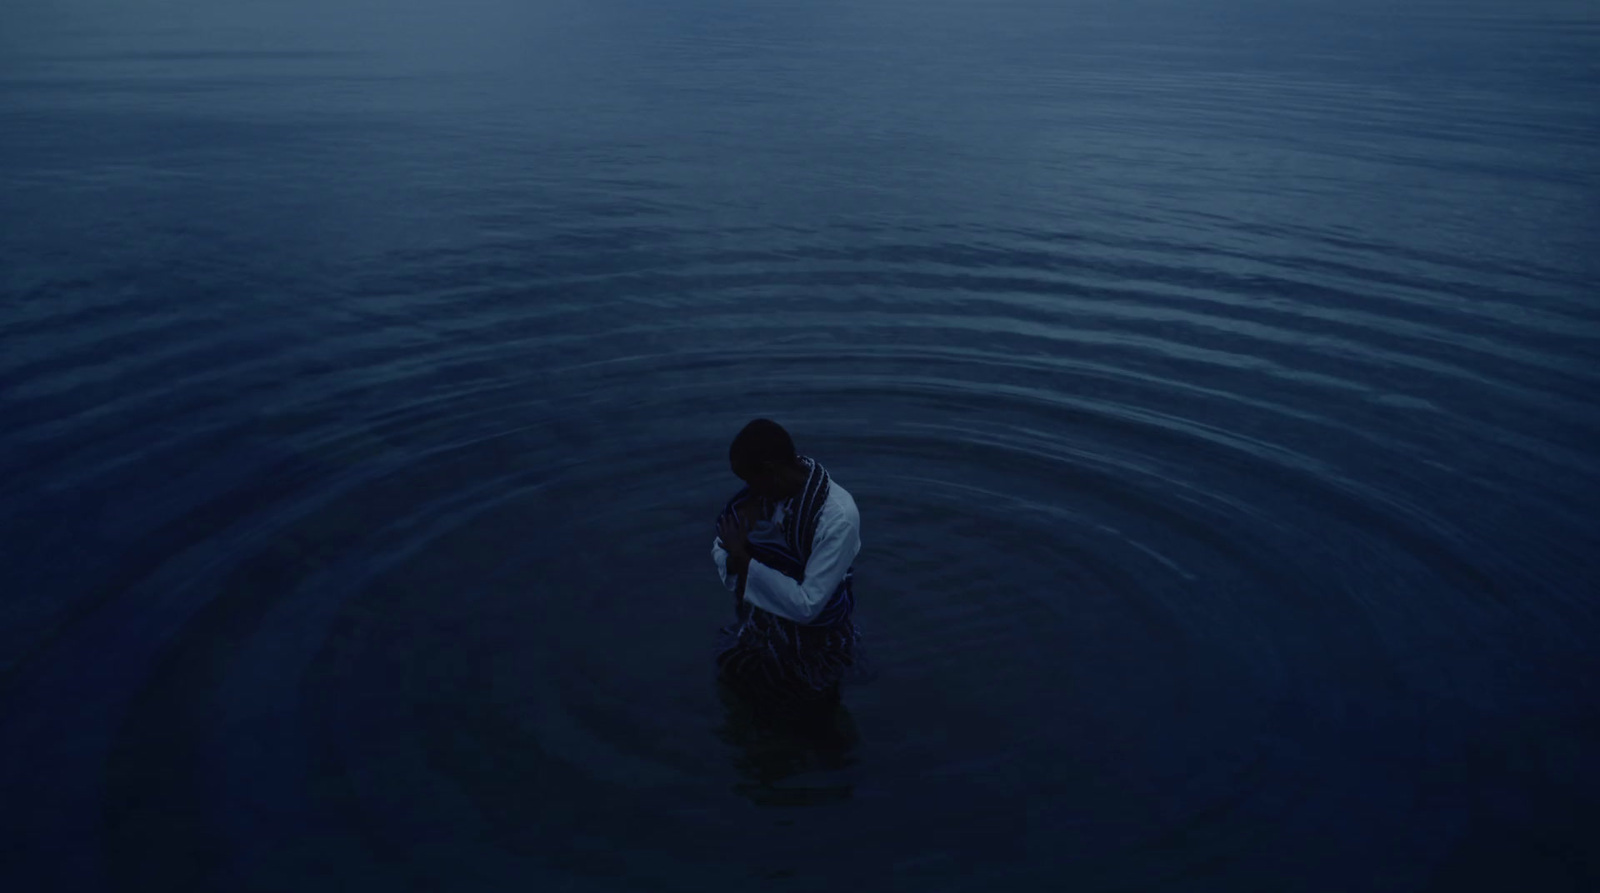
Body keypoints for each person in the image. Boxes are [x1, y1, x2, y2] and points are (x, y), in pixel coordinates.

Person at [712, 419, 862, 710]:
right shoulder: (758, 499)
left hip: (818, 637)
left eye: (751, 480)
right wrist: (734, 554)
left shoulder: (838, 517)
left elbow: (808, 605)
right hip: (762, 624)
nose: (748, 488)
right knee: (740, 685)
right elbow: (723, 542)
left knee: (810, 708)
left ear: (770, 470)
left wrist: (742, 558)